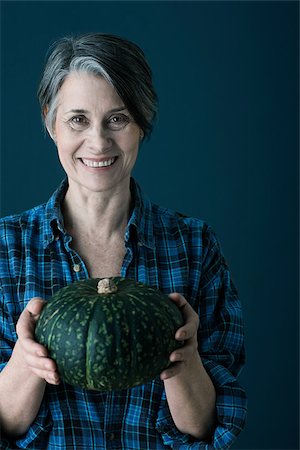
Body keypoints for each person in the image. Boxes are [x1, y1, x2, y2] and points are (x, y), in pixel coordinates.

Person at [0, 33, 247, 449]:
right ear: (50, 121)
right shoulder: (6, 248)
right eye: (77, 119)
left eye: (117, 119)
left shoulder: (193, 246)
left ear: (141, 123)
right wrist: (27, 361)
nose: (98, 141)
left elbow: (205, 431)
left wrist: (185, 362)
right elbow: (4, 428)